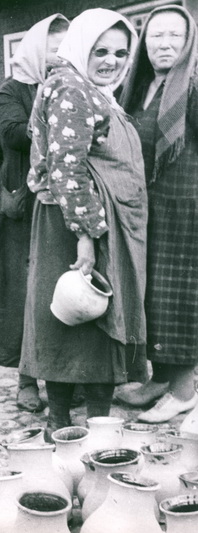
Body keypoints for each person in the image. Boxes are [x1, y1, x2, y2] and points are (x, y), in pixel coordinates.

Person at [21, 9, 147, 437]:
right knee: (74, 315)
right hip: (74, 224)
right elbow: (67, 167)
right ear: (81, 47)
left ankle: (96, 421)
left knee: (92, 321)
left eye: (120, 52)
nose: (111, 60)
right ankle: (62, 425)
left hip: (90, 222)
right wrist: (86, 239)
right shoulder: (70, 87)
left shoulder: (92, 89)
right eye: (101, 50)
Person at [118, 6, 198, 423]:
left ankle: (184, 390)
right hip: (149, 209)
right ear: (143, 42)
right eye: (156, 37)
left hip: (186, 210)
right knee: (154, 297)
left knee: (180, 297)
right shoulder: (142, 84)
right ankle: (160, 378)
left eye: (174, 37)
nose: (164, 44)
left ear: (188, 42)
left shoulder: (194, 85)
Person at [0, 14, 69, 413]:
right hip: (26, 200)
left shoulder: (76, 85)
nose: (60, 56)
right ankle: (26, 378)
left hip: (65, 197)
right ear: (39, 49)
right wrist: (63, 122)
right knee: (24, 287)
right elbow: (8, 135)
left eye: (66, 48)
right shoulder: (13, 89)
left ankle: (66, 374)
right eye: (54, 48)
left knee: (64, 285)